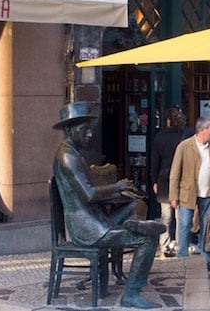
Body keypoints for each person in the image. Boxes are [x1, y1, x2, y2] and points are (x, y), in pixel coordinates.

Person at [52, 102, 166, 309]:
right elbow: (89, 194)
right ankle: (131, 294)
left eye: (90, 129)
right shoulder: (68, 157)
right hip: (89, 229)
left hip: (95, 220)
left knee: (134, 204)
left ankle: (135, 223)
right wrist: (116, 187)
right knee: (148, 240)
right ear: (69, 130)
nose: (89, 134)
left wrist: (120, 192)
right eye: (84, 129)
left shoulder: (73, 153)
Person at [169, 116, 210, 272]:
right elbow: (175, 173)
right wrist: (173, 196)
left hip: (209, 193)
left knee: (207, 228)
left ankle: (205, 260)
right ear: (202, 130)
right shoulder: (184, 146)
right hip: (187, 194)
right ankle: (182, 260)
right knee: (185, 225)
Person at [149, 106, 194, 258]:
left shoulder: (160, 137)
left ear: (168, 121)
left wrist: (154, 180)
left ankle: (164, 244)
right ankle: (181, 244)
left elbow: (155, 161)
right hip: (184, 179)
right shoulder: (188, 136)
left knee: (165, 215)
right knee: (181, 216)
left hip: (165, 179)